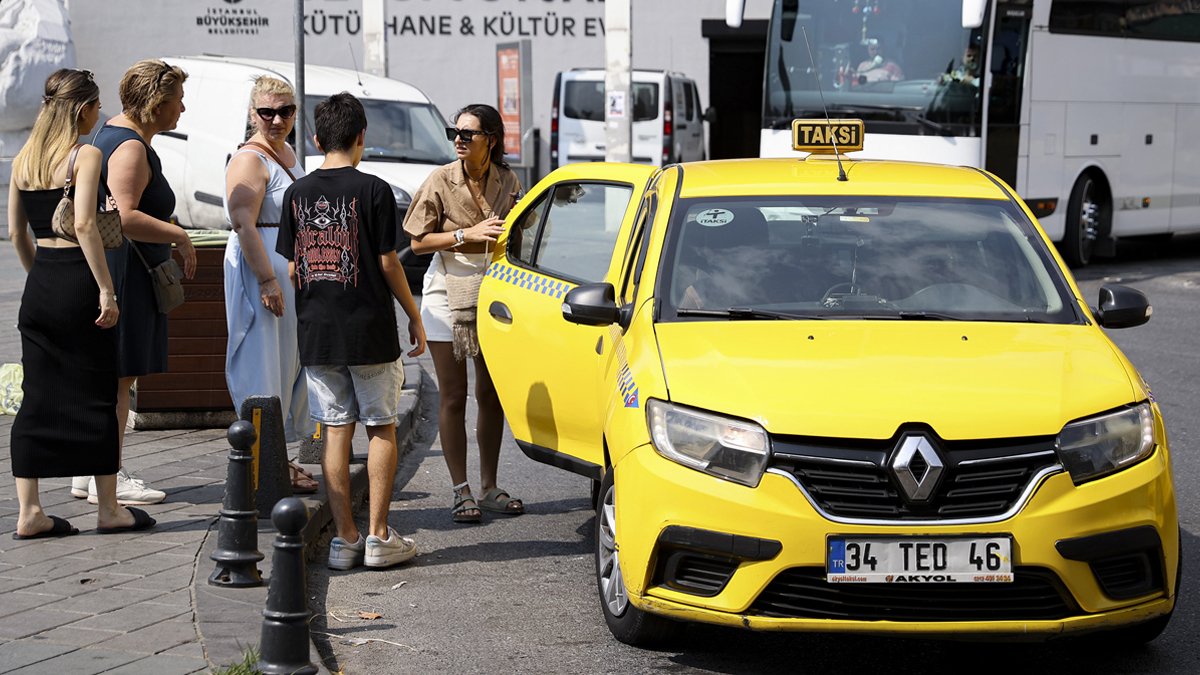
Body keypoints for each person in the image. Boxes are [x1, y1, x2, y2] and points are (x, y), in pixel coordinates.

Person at [276, 92, 427, 570]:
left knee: (336, 431)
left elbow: (295, 268)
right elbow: (387, 262)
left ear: (317, 139)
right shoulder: (375, 190)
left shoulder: (296, 194)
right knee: (381, 425)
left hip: (318, 331)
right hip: (368, 328)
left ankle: (345, 540)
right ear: (363, 137)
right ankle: (380, 537)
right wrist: (414, 313)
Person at [8, 68, 155, 538]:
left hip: (41, 284)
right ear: (82, 109)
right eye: (95, 107)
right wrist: (106, 289)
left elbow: (17, 233)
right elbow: (87, 226)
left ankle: (30, 511)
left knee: (37, 395)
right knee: (95, 390)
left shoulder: (23, 160)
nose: (99, 115)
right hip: (78, 279)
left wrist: (41, 277)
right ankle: (109, 507)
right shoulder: (84, 155)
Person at [70, 59, 196, 506]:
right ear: (156, 104)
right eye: (177, 100)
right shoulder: (130, 147)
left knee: (110, 378)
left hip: (119, 268)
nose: (182, 108)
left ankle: (92, 471)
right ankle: (112, 473)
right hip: (127, 272)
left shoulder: (113, 134)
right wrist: (178, 234)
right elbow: (123, 216)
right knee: (120, 380)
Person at [403, 104, 525, 524]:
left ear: (490, 139)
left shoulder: (508, 181)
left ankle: (489, 486)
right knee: (454, 395)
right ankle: (460, 490)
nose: (458, 138)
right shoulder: (440, 179)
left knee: (490, 394)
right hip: (446, 292)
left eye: (467, 133)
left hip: (494, 293)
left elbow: (524, 235)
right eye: (454, 131)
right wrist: (464, 234)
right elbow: (417, 244)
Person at [223, 75, 317, 494]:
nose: (276, 119)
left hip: (285, 265)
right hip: (263, 265)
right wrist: (266, 280)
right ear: (251, 113)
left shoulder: (287, 151)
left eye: (285, 111)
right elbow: (243, 222)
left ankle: (277, 459)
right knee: (262, 366)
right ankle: (263, 467)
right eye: (266, 112)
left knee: (286, 366)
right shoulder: (249, 160)